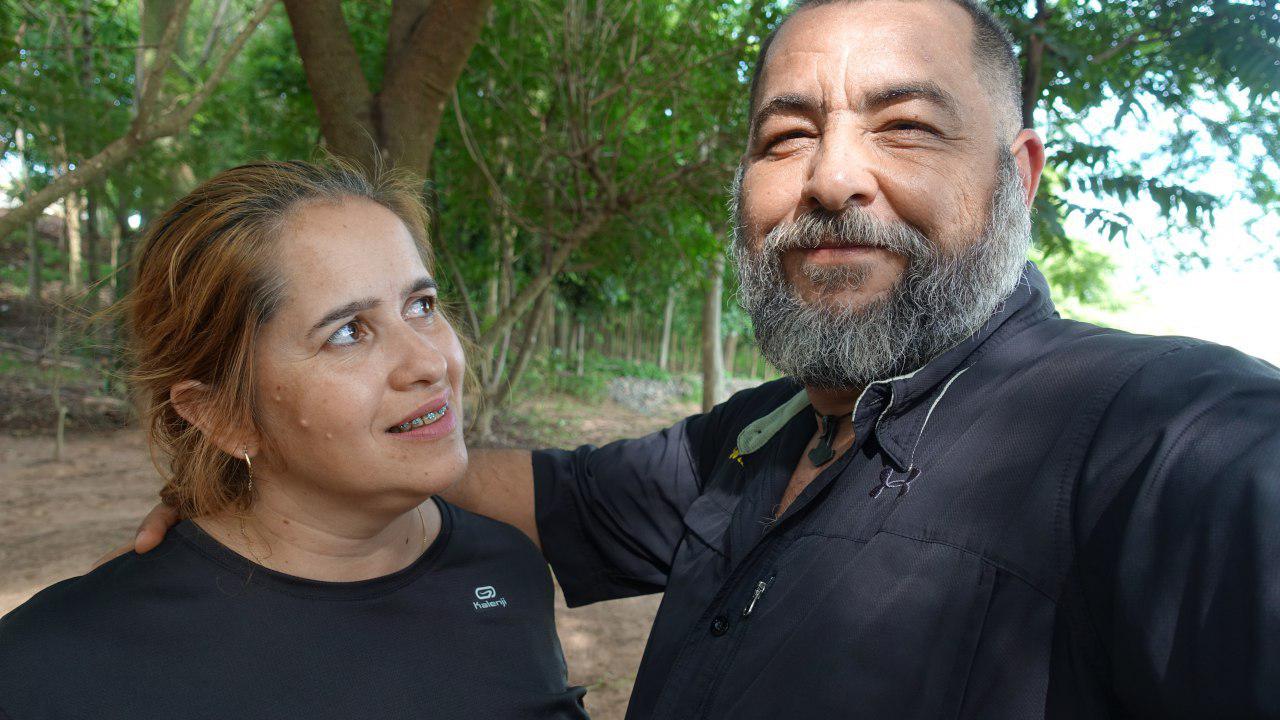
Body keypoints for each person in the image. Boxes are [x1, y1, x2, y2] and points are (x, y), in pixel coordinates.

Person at [129, 1, 1280, 718]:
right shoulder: (760, 434)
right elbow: (531, 494)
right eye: (786, 135)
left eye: (904, 126)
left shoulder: (1164, 437)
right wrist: (262, 476)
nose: (832, 177)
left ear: (1015, 177)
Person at [0, 160, 588, 719]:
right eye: (348, 332)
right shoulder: (49, 669)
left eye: (421, 305)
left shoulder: (507, 568)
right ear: (223, 414)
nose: (430, 362)